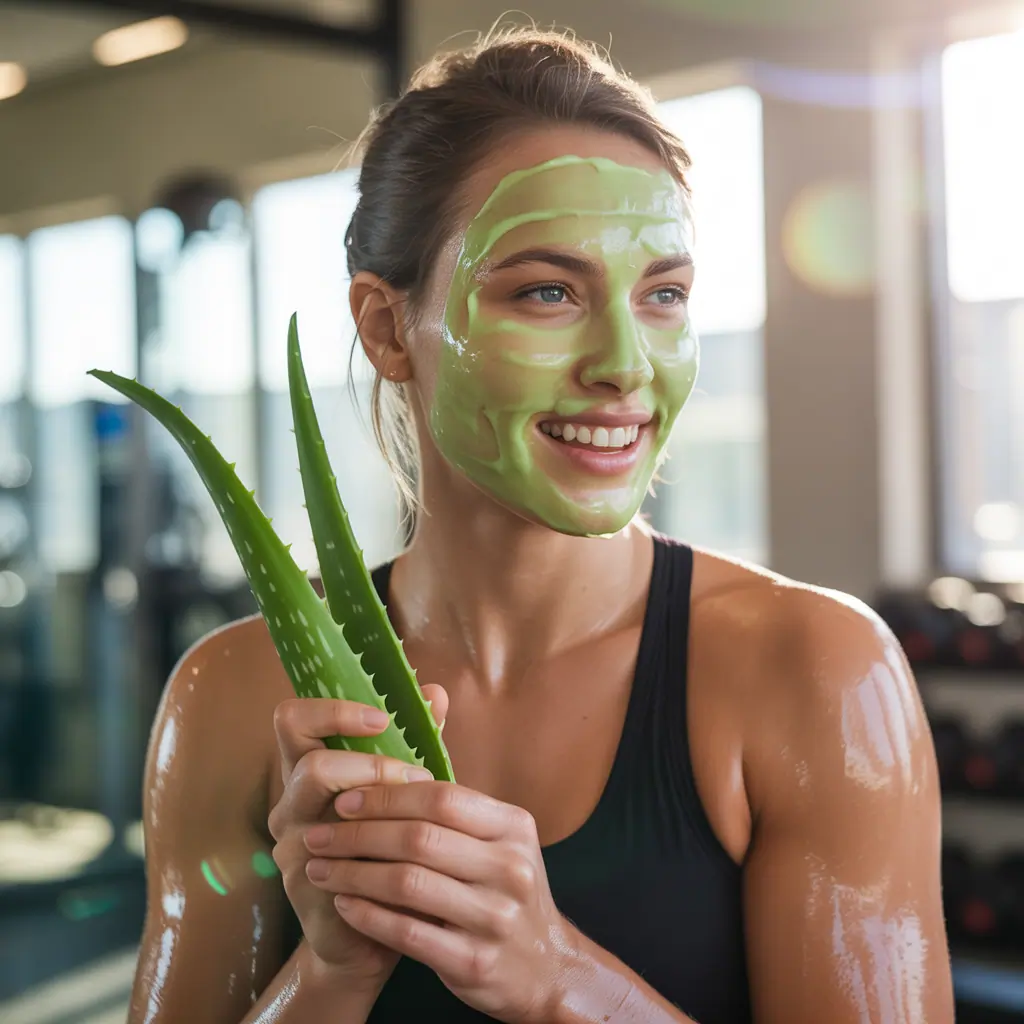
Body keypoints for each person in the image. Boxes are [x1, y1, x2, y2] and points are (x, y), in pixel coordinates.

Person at [127, 26, 954, 1024]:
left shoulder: (816, 672)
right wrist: (334, 970)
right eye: (549, 291)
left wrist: (562, 977)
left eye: (663, 295)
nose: (624, 364)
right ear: (387, 328)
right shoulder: (231, 693)